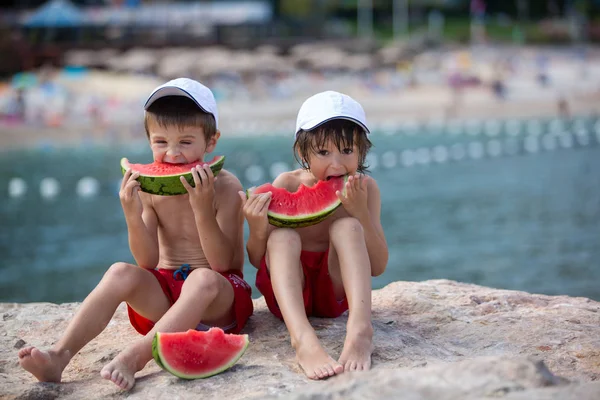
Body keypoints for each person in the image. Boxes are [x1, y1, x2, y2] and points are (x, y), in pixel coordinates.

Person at [18, 78, 253, 390]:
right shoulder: (151, 189)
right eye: (160, 142)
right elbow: (147, 260)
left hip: (217, 300)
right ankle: (59, 357)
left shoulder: (226, 186)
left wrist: (200, 208)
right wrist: (132, 212)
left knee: (203, 278)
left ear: (211, 142)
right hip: (166, 299)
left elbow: (223, 263)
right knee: (119, 272)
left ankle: (137, 356)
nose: (172, 154)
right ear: (148, 140)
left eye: (185, 142)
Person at [240, 91, 388, 380]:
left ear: (362, 151)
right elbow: (258, 261)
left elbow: (379, 266)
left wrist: (360, 213)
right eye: (323, 153)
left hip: (335, 294)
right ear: (303, 151)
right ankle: (302, 339)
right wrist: (257, 227)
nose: (336, 164)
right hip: (288, 297)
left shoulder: (366, 189)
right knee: (282, 238)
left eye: (347, 151)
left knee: (347, 227)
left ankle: (360, 330)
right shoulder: (287, 183)